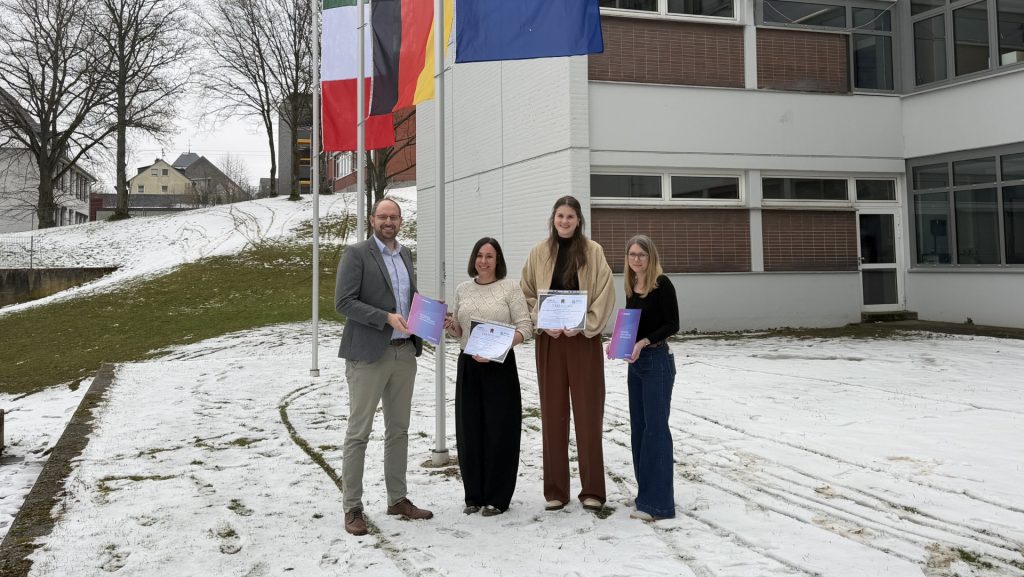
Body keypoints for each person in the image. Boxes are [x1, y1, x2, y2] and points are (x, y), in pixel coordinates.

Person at [335, 197, 433, 536]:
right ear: (372, 219)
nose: (388, 222)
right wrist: (385, 318)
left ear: (400, 221)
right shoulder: (357, 254)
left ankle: (397, 499)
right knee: (359, 433)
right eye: (383, 216)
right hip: (368, 356)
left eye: (394, 217)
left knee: (399, 430)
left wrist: (432, 316)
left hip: (404, 354)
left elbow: (409, 301)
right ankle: (352, 507)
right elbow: (343, 302)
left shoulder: (405, 254)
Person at [520, 195, 615, 513]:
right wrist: (542, 321)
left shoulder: (593, 252)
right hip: (550, 340)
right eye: (560, 216)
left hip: (582, 340)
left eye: (570, 216)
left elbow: (605, 292)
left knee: (589, 413)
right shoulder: (539, 252)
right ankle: (556, 490)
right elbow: (525, 293)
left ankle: (593, 490)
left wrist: (586, 325)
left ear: (578, 220)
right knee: (552, 412)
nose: (564, 221)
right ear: (553, 219)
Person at [444, 237, 533, 517]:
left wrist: (499, 348)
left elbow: (525, 327)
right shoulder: (462, 289)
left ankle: (497, 497)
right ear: (474, 258)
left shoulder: (510, 288)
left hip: (499, 366)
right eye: (480, 255)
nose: (484, 261)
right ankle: (474, 495)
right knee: (469, 429)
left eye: (490, 256)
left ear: (498, 261)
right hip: (469, 365)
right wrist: (451, 327)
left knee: (500, 430)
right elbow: (460, 331)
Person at [610, 234, 679, 521]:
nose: (636, 259)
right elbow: (632, 326)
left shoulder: (661, 284)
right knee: (639, 428)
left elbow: (672, 324)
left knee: (655, 431)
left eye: (641, 254)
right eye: (632, 254)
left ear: (651, 257)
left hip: (657, 363)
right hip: (636, 365)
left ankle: (659, 505)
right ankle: (645, 494)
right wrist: (618, 343)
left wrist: (643, 342)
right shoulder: (632, 286)